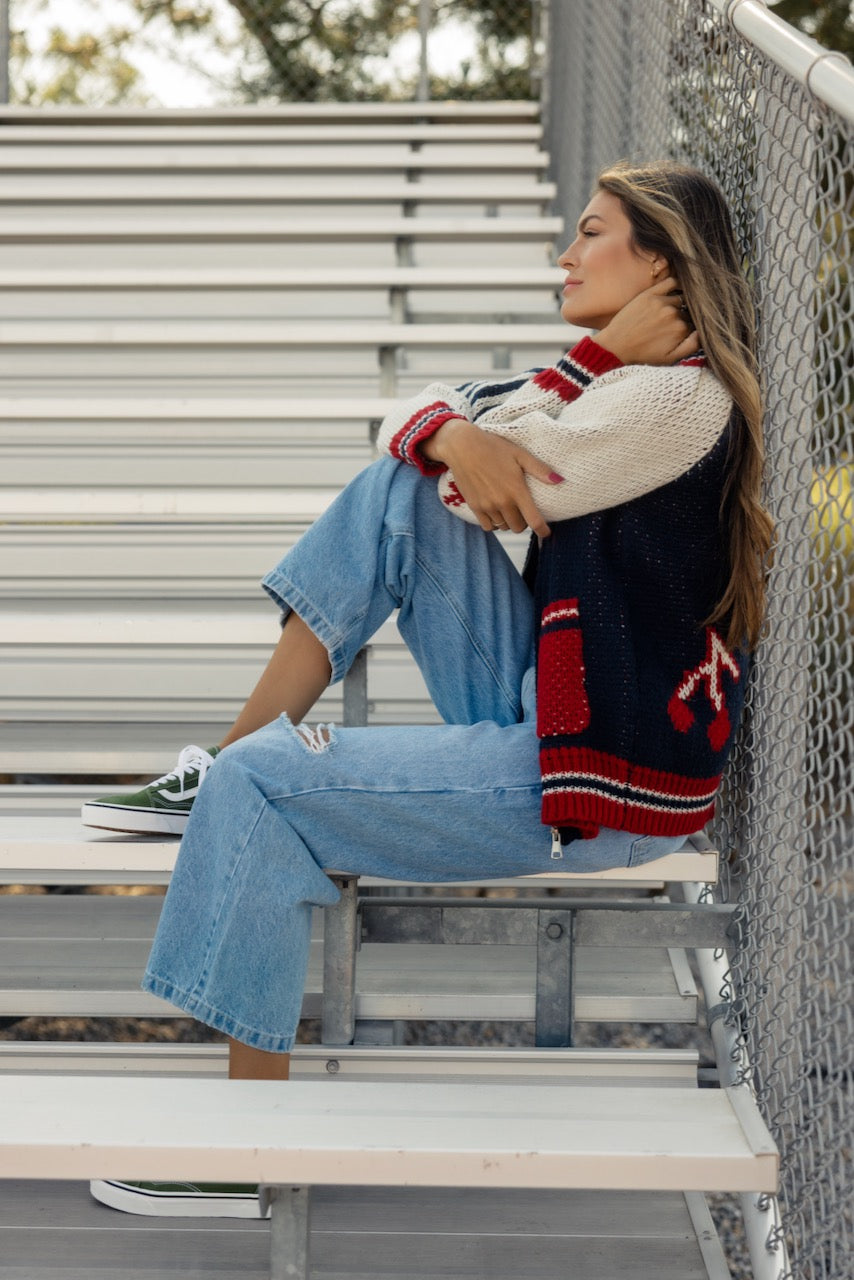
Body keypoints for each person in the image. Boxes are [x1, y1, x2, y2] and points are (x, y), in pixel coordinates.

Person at [85, 161, 773, 1217]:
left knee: (266, 782)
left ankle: (233, 1147)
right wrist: (465, 424)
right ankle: (223, 764)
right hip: (567, 710)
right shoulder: (625, 384)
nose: (565, 254)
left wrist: (476, 425)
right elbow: (435, 435)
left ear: (659, 266)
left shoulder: (674, 399)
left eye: (590, 234)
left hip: (597, 778)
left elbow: (497, 469)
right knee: (396, 491)